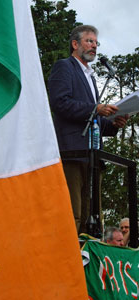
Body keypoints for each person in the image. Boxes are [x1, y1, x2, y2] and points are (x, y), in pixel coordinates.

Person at [48, 25, 128, 234]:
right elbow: (60, 103)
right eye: (89, 41)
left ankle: (87, 263)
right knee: (72, 215)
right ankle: (67, 263)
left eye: (96, 43)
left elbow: (91, 119)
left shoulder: (91, 77)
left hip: (92, 156)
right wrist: (95, 108)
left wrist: (112, 124)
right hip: (72, 152)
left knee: (91, 219)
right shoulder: (64, 67)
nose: (94, 46)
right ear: (75, 44)